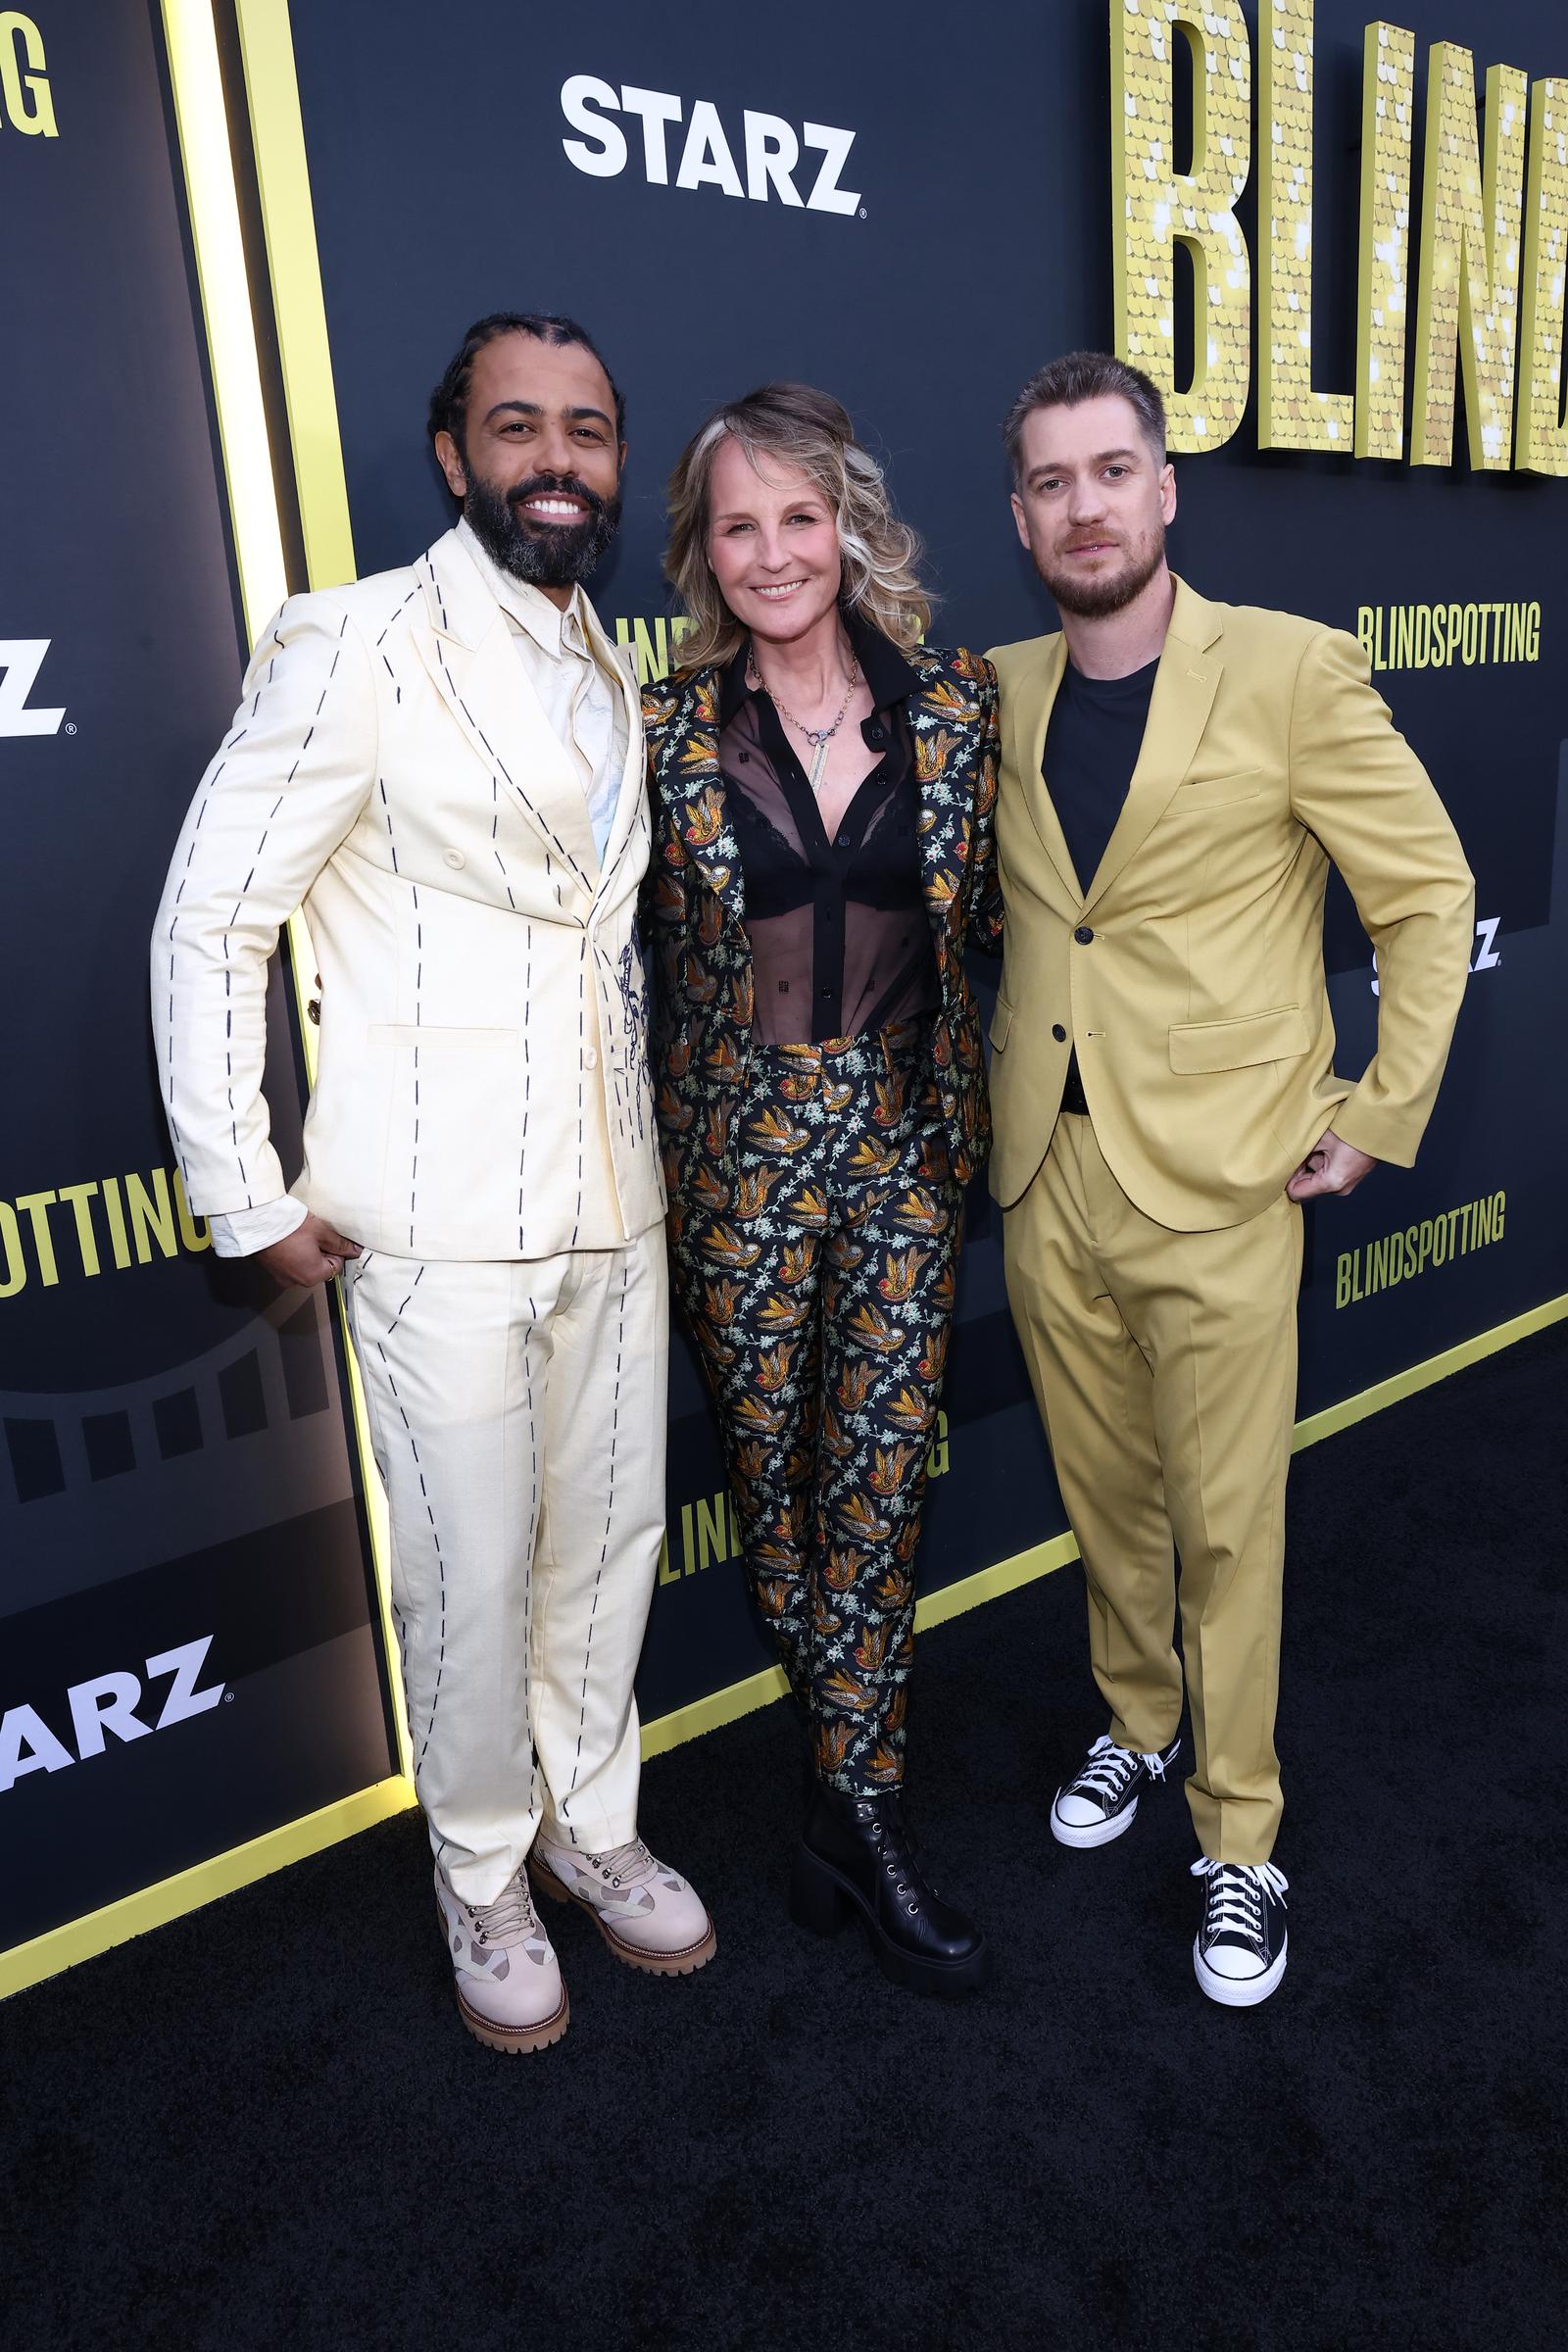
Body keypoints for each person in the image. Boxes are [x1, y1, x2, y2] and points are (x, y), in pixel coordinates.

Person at [151, 312, 713, 2055]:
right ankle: (478, 1869)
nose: (562, 460)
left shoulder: (609, 656)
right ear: (452, 453)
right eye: (521, 427)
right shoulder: (357, 643)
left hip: (618, 1201)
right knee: (469, 1571)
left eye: (593, 431)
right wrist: (243, 1186)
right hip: (430, 1215)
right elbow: (213, 914)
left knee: (609, 1547)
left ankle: (589, 1829)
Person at [986, 350, 1474, 2006]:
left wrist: (1381, 1104)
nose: (1083, 506)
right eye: (1050, 481)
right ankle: (1135, 1725)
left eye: (1111, 470)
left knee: (1228, 1527)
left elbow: (1424, 897)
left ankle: (1241, 1837)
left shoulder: (1291, 674)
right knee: (1105, 1506)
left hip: (1226, 1181)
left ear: (1165, 488)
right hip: (1046, 1172)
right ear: (1021, 513)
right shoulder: (990, 695)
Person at [642, 384, 999, 1996]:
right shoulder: (658, 735)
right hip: (736, 1168)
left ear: (848, 523)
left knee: (877, 1487)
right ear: (704, 553)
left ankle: (862, 1818)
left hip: (911, 1154)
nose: (775, 552)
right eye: (741, 524)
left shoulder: (960, 707)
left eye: (803, 516)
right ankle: (835, 1796)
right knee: (779, 1495)